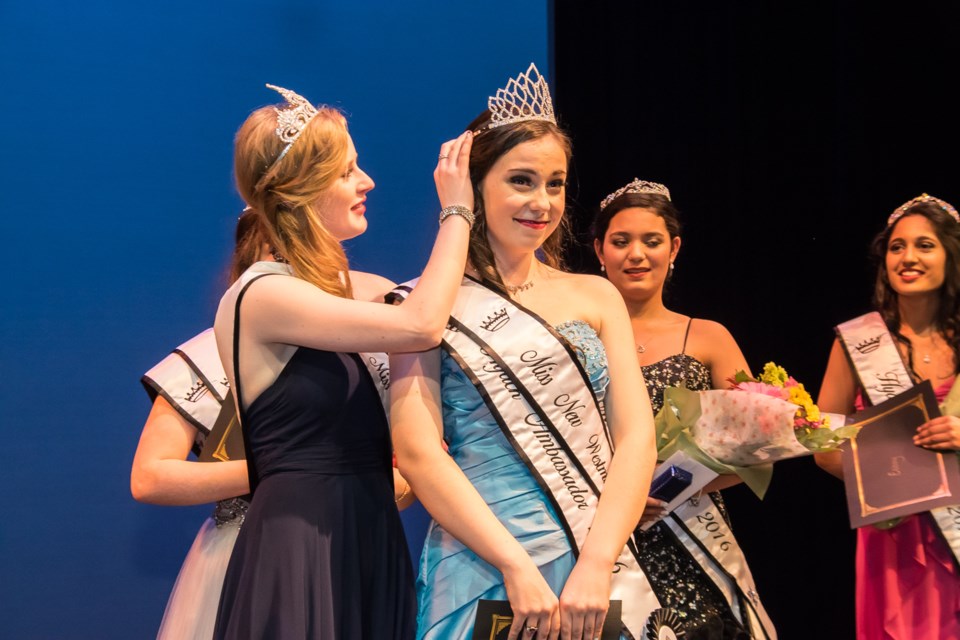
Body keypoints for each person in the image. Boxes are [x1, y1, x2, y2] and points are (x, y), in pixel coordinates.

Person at [390, 64, 656, 640]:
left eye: (555, 183)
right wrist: (514, 564)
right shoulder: (422, 307)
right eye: (521, 180)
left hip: (596, 564)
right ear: (474, 185)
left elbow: (636, 437)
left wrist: (597, 559)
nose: (542, 201)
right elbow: (417, 453)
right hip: (484, 567)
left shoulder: (596, 294)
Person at [210, 84, 474, 639]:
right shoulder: (262, 294)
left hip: (368, 530)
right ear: (297, 190)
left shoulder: (342, 293)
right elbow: (420, 326)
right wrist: (457, 210)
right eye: (346, 171)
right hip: (303, 541)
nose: (367, 182)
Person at [592, 179, 775, 639]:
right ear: (599, 250)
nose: (636, 254)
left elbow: (759, 446)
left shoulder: (709, 337)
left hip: (694, 538)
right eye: (621, 241)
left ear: (673, 248)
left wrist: (675, 487)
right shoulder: (576, 337)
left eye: (651, 241)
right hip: (601, 540)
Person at [815, 193, 960, 640]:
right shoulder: (858, 343)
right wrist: (877, 475)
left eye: (924, 245)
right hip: (891, 534)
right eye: (897, 247)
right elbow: (822, 443)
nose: (908, 257)